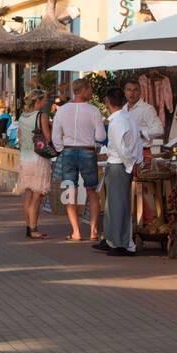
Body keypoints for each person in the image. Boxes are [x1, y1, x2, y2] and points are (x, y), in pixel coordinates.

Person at [51, 77, 106, 242]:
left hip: (68, 152)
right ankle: (93, 231)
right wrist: (92, 139)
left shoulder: (61, 110)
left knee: (69, 191)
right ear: (82, 90)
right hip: (87, 151)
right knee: (92, 191)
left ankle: (75, 232)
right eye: (89, 89)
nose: (91, 92)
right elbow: (101, 136)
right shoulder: (94, 111)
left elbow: (55, 136)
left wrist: (62, 149)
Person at [98, 86, 142, 257]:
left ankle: (120, 243)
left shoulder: (117, 121)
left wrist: (130, 164)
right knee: (114, 204)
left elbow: (120, 147)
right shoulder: (127, 118)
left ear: (108, 102)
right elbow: (137, 142)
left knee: (118, 205)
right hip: (121, 164)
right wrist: (135, 161)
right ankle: (111, 239)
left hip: (119, 164)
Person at [16, 89, 54, 239]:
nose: (46, 103)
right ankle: (33, 229)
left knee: (28, 195)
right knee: (37, 196)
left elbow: (20, 138)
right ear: (38, 101)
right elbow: (48, 138)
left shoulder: (22, 117)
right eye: (44, 100)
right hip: (38, 159)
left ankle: (28, 227)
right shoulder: (41, 116)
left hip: (25, 158)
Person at [123, 79, 164, 145]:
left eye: (135, 90)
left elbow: (159, 130)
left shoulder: (147, 109)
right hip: (126, 151)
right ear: (125, 92)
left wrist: (141, 134)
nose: (132, 93)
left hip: (143, 151)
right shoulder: (123, 109)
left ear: (140, 92)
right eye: (129, 90)